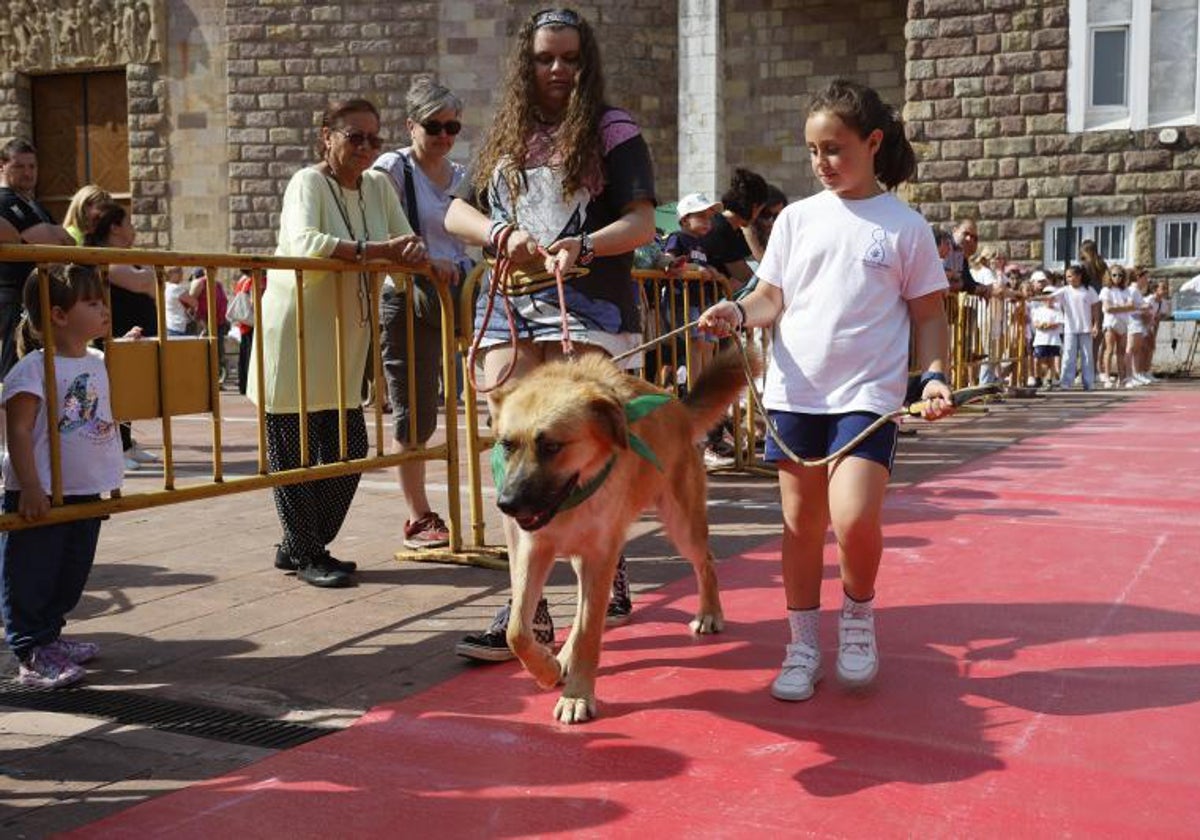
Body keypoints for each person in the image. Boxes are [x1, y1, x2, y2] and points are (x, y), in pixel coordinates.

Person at [698, 78, 954, 702]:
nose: (822, 163)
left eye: (835, 149)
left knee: (855, 515)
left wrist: (936, 374)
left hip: (867, 396)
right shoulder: (796, 221)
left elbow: (929, 314)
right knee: (800, 524)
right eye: (814, 151)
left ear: (872, 142)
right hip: (795, 392)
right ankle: (802, 644)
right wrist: (736, 311)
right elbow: (770, 296)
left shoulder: (904, 225)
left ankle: (859, 617)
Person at [444, 7, 656, 660]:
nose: (557, 69)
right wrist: (498, 233)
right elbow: (458, 211)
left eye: (569, 57)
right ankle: (525, 608)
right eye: (544, 58)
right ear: (526, 63)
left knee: (591, 447)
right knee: (514, 450)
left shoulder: (614, 131)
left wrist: (583, 244)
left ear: (586, 61)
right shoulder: (506, 134)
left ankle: (606, 561)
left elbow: (643, 223)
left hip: (587, 302)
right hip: (510, 303)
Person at [248, 97, 426, 589]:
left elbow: (403, 239)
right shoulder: (307, 181)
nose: (366, 148)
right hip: (299, 334)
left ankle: (299, 544)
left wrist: (412, 252)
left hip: (346, 340)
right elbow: (304, 241)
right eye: (355, 137)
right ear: (327, 136)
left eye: (374, 138)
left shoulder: (377, 185)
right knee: (295, 452)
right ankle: (306, 550)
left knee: (349, 448)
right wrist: (377, 252)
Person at [1, 264, 124, 688]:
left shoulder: (98, 359)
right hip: (45, 492)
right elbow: (17, 430)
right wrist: (30, 486)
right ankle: (32, 648)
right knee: (32, 570)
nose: (104, 309)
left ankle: (51, 634)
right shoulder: (33, 368)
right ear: (58, 314)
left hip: (84, 488)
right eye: (92, 303)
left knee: (72, 569)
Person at [372, 77, 473, 550]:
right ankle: (419, 515)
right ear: (411, 125)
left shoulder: (461, 174)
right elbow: (379, 230)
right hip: (410, 296)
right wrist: (422, 259)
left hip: (461, 297)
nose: (445, 136)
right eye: (435, 126)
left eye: (453, 126)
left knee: (477, 398)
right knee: (416, 409)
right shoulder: (393, 169)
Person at [84, 201, 164, 470]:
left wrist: (148, 278)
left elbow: (152, 283)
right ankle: (114, 449)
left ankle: (126, 445)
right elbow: (144, 282)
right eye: (128, 222)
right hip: (115, 334)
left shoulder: (126, 257)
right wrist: (147, 276)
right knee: (114, 392)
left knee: (130, 390)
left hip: (135, 335)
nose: (133, 229)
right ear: (115, 227)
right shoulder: (103, 256)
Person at [662, 192, 736, 467]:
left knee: (706, 346)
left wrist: (713, 273)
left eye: (709, 216)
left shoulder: (703, 245)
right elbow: (669, 263)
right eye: (701, 216)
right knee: (695, 345)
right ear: (684, 218)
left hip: (701, 303)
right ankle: (695, 383)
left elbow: (705, 267)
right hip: (683, 302)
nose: (707, 221)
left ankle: (702, 382)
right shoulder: (678, 238)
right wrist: (695, 268)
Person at [0, 139, 74, 376]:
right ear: (2, 166)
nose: (28, 173)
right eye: (20, 166)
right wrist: (54, 235)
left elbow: (66, 241)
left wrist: (54, 235)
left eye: (32, 166)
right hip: (14, 297)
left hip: (38, 296)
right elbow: (51, 239)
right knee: (15, 368)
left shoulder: (35, 205)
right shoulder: (4, 201)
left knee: (39, 367)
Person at [698, 167, 768, 290]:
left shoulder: (733, 229)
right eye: (760, 211)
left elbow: (757, 262)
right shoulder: (720, 228)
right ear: (755, 207)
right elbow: (746, 276)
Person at [1056, 263, 1101, 390]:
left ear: (1079, 276)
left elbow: (1096, 307)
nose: (1069, 279)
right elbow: (1050, 297)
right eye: (1067, 277)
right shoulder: (1065, 290)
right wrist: (1033, 298)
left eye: (1071, 276)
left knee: (1087, 356)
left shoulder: (1089, 290)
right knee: (1069, 355)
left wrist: (1096, 324)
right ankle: (1066, 382)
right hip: (1070, 328)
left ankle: (1089, 382)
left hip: (1086, 328)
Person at [1099, 264, 1133, 388]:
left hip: (1123, 323)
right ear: (1109, 276)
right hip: (1110, 323)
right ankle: (1107, 377)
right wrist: (1123, 307)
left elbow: (1131, 305)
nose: (1117, 277)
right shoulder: (1106, 290)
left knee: (1121, 351)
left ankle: (1122, 377)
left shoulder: (1126, 290)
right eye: (1114, 275)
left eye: (1120, 275)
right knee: (1109, 349)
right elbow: (1108, 308)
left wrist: (1116, 308)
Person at [230, 268, 262, 395]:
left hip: (244, 323)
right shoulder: (251, 281)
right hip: (251, 323)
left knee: (244, 355)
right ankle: (249, 385)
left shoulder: (241, 282)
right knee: (250, 356)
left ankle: (243, 385)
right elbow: (253, 302)